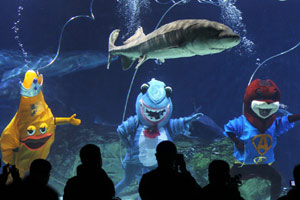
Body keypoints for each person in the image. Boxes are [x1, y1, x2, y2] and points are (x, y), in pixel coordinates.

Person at [224, 79, 300, 200]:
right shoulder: (243, 123)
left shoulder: (273, 124)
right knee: (228, 182)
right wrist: (237, 142)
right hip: (243, 164)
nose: (265, 110)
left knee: (277, 179)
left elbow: (287, 120)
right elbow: (229, 129)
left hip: (264, 164)